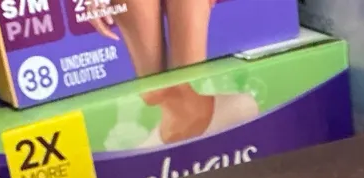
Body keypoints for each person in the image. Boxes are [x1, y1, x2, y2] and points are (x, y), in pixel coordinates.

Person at [86, 0, 258, 145]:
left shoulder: (240, 109)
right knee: (155, 88)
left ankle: (191, 125)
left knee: (188, 79)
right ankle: (184, 128)